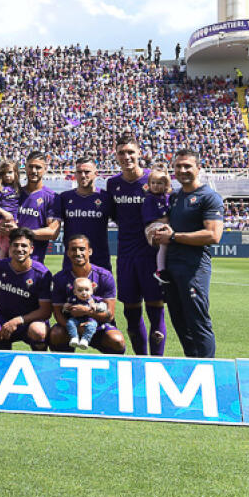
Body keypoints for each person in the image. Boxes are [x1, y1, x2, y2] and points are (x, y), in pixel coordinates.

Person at [153, 149, 224, 358]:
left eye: (187, 166)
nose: (182, 170)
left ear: (198, 168)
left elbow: (213, 235)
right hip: (172, 268)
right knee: (179, 320)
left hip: (194, 268)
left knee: (197, 320)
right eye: (178, 166)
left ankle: (209, 368)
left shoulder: (208, 197)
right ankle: (193, 366)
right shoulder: (175, 197)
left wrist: (174, 237)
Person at [107, 133, 167, 356]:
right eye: (122, 152)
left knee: (155, 311)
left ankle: (156, 362)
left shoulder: (154, 179)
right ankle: (140, 361)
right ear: (116, 155)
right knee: (131, 313)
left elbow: (167, 208)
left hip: (151, 257)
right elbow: (114, 215)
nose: (126, 156)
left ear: (139, 153)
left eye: (131, 152)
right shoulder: (113, 184)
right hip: (126, 256)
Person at [46, 234, 124, 354]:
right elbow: (57, 313)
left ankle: (112, 371)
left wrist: (87, 312)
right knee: (56, 334)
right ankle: (64, 369)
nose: (78, 253)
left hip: (99, 326)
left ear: (90, 251)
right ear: (67, 253)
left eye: (82, 249)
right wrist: (74, 329)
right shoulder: (59, 278)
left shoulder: (104, 276)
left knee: (116, 340)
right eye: (73, 249)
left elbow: (110, 315)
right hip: (71, 326)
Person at [56, 157, 113, 271]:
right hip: (71, 262)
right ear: (75, 174)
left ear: (96, 174)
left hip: (100, 262)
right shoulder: (64, 197)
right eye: (79, 172)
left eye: (87, 172)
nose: (83, 175)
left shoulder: (106, 197)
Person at [142, 164, 174, 284]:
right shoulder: (150, 199)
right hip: (152, 226)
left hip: (164, 225)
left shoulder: (168, 196)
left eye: (159, 183)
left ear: (166, 185)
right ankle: (160, 270)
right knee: (164, 242)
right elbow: (150, 219)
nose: (155, 186)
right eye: (153, 183)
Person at [62, 277, 105, 349]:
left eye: (87, 290)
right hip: (76, 319)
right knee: (70, 322)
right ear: (75, 292)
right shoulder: (73, 299)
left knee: (92, 325)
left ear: (92, 291)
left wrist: (97, 306)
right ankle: (74, 337)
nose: (84, 292)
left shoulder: (94, 300)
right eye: (80, 290)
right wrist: (66, 307)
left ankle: (85, 340)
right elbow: (66, 310)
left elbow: (103, 306)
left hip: (89, 320)